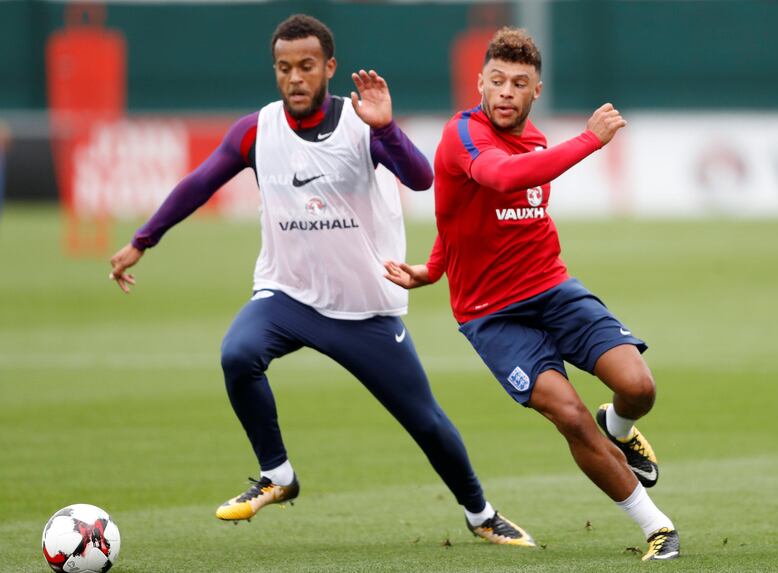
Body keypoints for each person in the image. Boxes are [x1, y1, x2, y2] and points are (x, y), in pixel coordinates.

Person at [109, 14, 534, 547]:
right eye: (284, 68)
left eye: (306, 66)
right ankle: (278, 476)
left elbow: (422, 179)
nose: (295, 78)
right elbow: (198, 184)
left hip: (363, 308)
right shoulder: (255, 130)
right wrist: (142, 240)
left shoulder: (360, 124)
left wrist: (385, 127)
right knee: (238, 354)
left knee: (425, 421)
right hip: (287, 296)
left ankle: (481, 513)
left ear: (329, 67)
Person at [384, 27, 680, 561]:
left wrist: (432, 267)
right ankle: (657, 527)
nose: (504, 91)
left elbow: (466, 216)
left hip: (553, 288)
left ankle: (620, 427)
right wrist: (589, 139)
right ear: (479, 82)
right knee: (568, 414)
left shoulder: (537, 141)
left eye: (518, 83)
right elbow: (498, 180)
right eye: (496, 80)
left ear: (535, 91)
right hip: (492, 316)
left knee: (639, 387)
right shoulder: (464, 135)